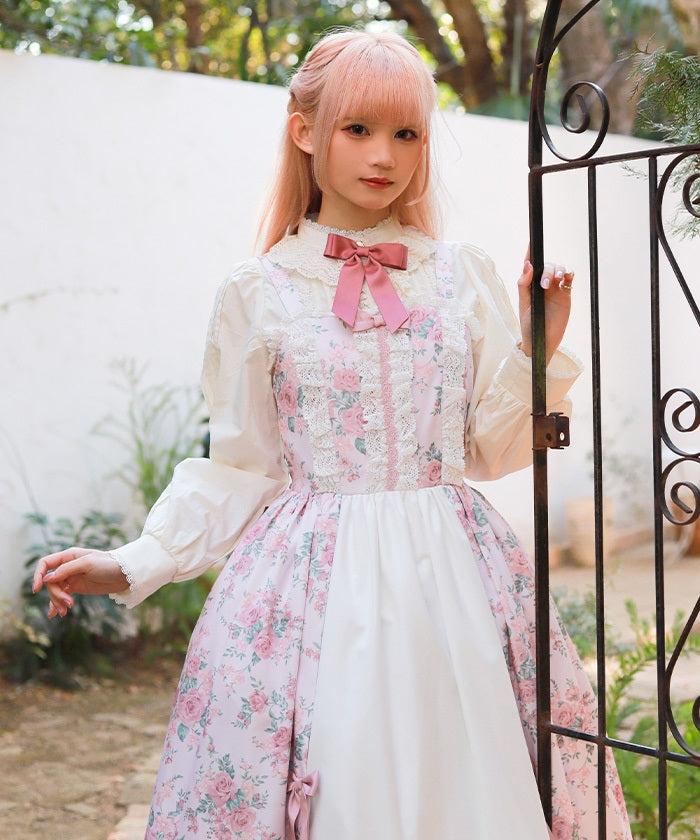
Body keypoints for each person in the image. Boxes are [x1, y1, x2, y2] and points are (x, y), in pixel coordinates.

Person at [33, 28, 631, 840]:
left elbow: (489, 449)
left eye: (407, 133)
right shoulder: (259, 290)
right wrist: (134, 562)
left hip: (454, 581)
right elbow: (239, 468)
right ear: (306, 130)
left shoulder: (460, 275)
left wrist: (537, 344)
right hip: (311, 587)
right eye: (359, 128)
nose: (384, 155)